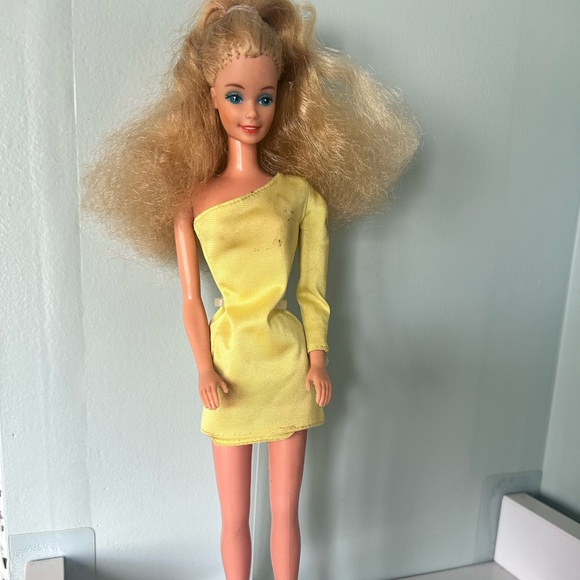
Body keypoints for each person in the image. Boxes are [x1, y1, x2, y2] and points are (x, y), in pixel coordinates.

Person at [83, 1, 419, 578]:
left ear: (281, 98)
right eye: (235, 95)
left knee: (286, 513)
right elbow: (191, 300)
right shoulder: (191, 203)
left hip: (288, 367)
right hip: (230, 370)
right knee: (233, 519)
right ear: (210, 97)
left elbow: (312, 290)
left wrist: (317, 357)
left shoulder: (300, 196)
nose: (251, 112)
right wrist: (204, 368)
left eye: (264, 97)